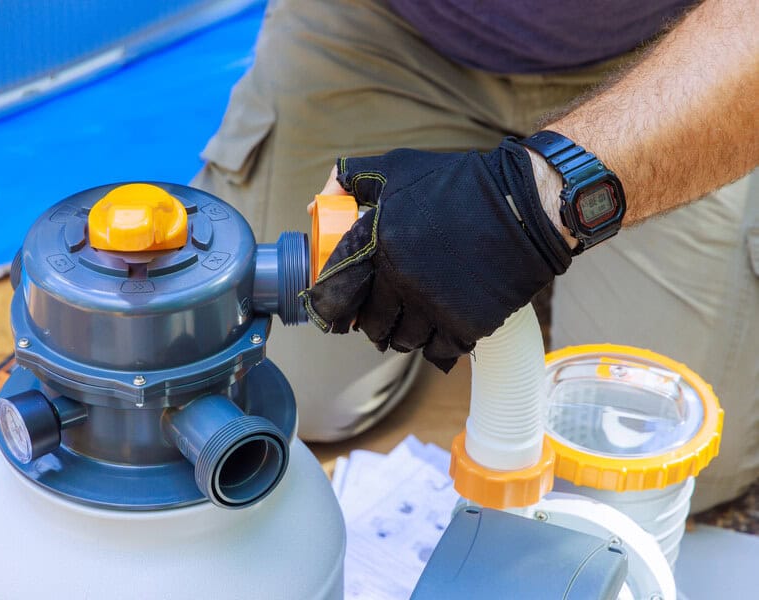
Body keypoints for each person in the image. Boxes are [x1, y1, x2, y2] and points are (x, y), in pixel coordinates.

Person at [192, 0, 757, 511]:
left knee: (669, 456)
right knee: (272, 393)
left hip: (673, 46)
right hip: (392, 31)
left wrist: (529, 200)